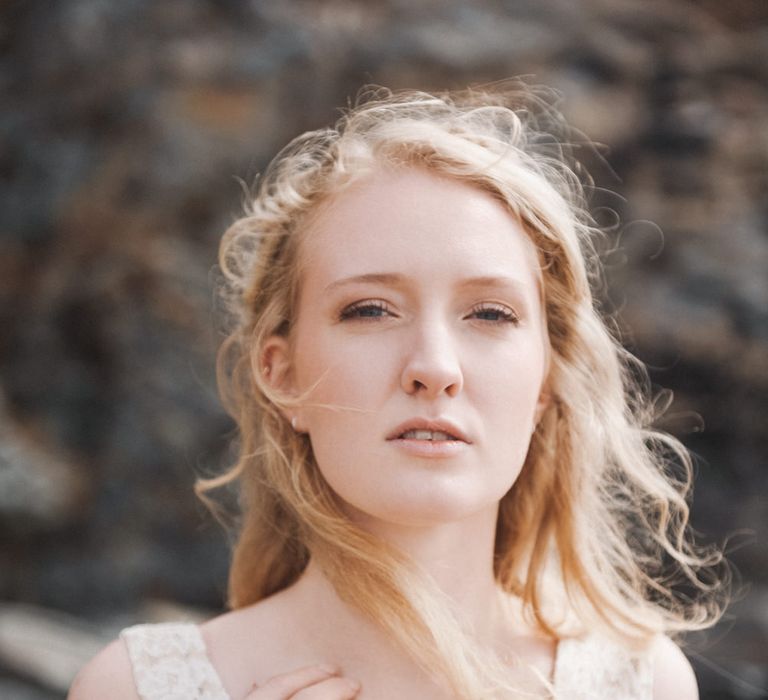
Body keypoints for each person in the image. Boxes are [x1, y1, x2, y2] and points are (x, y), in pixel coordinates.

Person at [69, 83, 726, 699]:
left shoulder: (638, 683)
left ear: (545, 382)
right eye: (371, 310)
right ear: (282, 371)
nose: (435, 367)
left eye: (490, 314)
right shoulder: (135, 686)